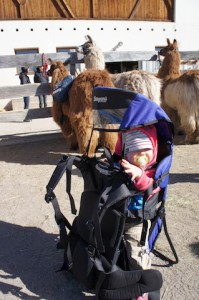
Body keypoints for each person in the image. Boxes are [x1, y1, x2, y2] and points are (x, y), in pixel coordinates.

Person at [114, 125, 159, 300]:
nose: (141, 154)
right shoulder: (123, 164)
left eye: (146, 149)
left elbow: (151, 188)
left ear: (154, 150)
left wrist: (140, 175)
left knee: (136, 253)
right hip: (117, 217)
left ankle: (141, 289)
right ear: (125, 153)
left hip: (136, 221)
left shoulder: (152, 171)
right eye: (134, 150)